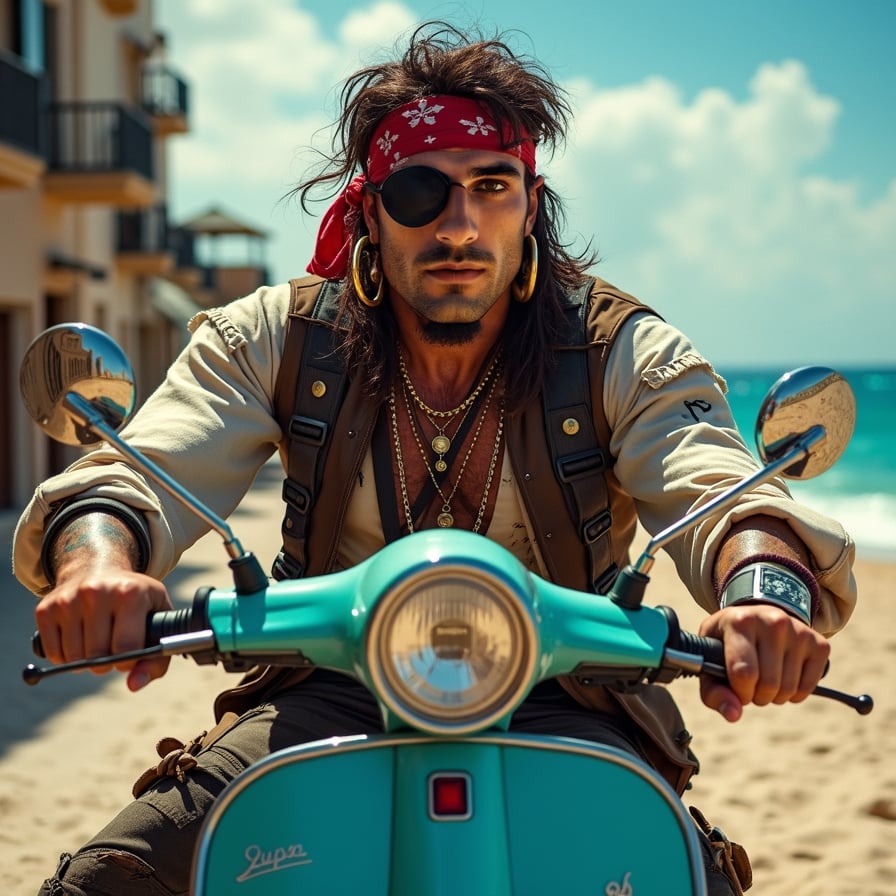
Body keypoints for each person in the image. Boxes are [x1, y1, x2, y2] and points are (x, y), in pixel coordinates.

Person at [13, 21, 856, 896]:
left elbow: (716, 483)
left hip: (572, 693)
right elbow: (146, 468)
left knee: (690, 876)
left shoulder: (617, 346)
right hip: (329, 687)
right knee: (107, 879)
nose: (458, 225)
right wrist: (99, 567)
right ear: (369, 209)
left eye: (491, 187)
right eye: (420, 192)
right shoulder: (278, 336)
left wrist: (768, 593)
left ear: (530, 203)